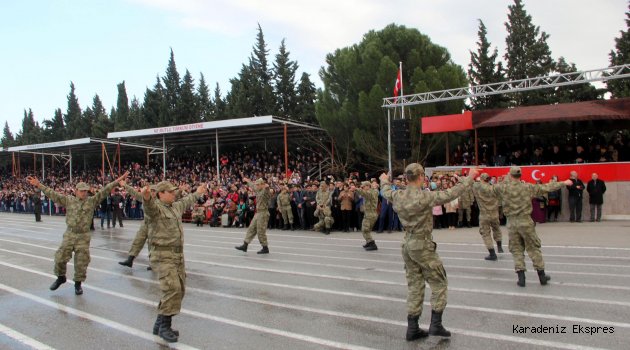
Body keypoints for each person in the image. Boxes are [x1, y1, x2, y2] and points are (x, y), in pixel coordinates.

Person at [380, 164, 480, 341]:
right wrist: (470, 177)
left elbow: (386, 191)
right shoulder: (425, 196)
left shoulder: (398, 195)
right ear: (420, 176)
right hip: (423, 244)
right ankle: (436, 325)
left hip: (407, 244)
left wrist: (383, 181)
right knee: (439, 283)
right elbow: (451, 193)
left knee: (415, 285)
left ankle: (413, 328)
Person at [26, 172, 129, 295]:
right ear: (76, 191)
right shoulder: (68, 200)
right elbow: (52, 194)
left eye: (85, 191)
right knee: (60, 258)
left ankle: (78, 284)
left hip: (83, 236)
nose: (84, 193)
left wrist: (119, 180)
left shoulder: (91, 201)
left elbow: (106, 190)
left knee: (81, 262)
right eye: (81, 191)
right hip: (70, 234)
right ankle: (61, 277)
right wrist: (38, 184)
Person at [141, 180, 206, 343]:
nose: (174, 194)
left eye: (174, 191)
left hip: (177, 256)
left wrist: (198, 192)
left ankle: (159, 323)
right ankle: (165, 327)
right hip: (163, 255)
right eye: (170, 192)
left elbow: (186, 201)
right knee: (172, 289)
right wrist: (147, 197)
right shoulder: (156, 209)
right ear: (160, 194)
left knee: (180, 290)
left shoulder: (175, 207)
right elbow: (149, 207)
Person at [492, 166, 572, 287]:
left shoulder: (502, 188)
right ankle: (542, 276)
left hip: (512, 223)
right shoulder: (527, 187)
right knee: (533, 248)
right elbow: (547, 187)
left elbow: (490, 189)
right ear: (520, 175)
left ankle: (521, 277)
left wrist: (505, 180)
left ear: (510, 175)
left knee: (516, 249)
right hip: (526, 221)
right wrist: (564, 183)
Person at [118, 184, 157, 271]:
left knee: (152, 244)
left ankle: (153, 263)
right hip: (145, 222)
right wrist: (126, 186)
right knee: (138, 240)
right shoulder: (145, 198)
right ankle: (130, 260)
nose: (153, 193)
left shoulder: (160, 201)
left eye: (155, 191)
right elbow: (134, 193)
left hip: (155, 224)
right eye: (152, 191)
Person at [235, 178, 272, 254]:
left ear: (262, 184)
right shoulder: (258, 190)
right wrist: (247, 180)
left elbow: (268, 192)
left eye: (258, 185)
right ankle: (245, 245)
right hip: (258, 213)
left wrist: (267, 187)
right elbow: (252, 185)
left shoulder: (265, 191)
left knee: (260, 231)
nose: (257, 186)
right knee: (251, 228)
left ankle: (265, 248)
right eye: (257, 185)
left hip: (263, 213)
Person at [472, 173, 503, 261]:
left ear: (481, 179)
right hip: (494, 213)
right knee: (497, 229)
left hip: (484, 214)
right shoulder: (494, 188)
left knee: (485, 233)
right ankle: (499, 246)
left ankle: (492, 253)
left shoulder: (477, 188)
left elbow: (471, 184)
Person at [354, 181, 378, 251]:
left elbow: (366, 194)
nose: (362, 188)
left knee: (365, 230)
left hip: (370, 215)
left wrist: (356, 189)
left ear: (367, 186)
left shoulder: (372, 192)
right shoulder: (371, 192)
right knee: (367, 229)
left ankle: (372, 244)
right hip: (369, 214)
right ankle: (369, 242)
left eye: (363, 187)